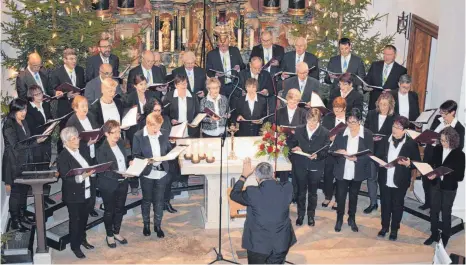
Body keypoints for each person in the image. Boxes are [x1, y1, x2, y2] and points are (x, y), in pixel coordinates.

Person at [230, 158, 296, 264]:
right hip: (281, 243)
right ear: (273, 174)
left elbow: (234, 194)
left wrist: (244, 175)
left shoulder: (252, 192)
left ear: (256, 177)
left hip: (258, 245)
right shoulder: (287, 188)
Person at [2, 99, 47, 231]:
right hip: (14, 163)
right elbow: (16, 145)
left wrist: (37, 138)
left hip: (26, 162)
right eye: (21, 110)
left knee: (23, 191)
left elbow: (27, 138)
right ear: (14, 110)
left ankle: (22, 215)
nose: (24, 113)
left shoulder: (24, 121)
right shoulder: (9, 124)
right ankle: (15, 220)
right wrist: (36, 141)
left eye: (25, 110)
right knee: (16, 193)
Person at [375, 116, 420, 241]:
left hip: (400, 180)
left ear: (405, 130)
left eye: (398, 127)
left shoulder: (411, 143)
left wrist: (408, 164)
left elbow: (417, 162)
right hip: (385, 178)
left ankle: (394, 229)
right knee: (385, 204)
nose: (394, 129)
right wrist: (379, 162)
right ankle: (384, 227)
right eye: (394, 126)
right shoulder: (385, 140)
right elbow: (377, 155)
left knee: (397, 205)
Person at [330, 108, 374, 232]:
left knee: (354, 196)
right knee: (341, 196)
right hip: (342, 168)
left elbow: (370, 154)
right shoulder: (342, 132)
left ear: (360, 121)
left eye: (354, 122)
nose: (351, 125)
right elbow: (333, 149)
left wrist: (356, 159)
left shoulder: (367, 134)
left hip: (357, 169)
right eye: (349, 122)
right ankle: (339, 219)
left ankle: (352, 218)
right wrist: (338, 151)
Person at [56, 127, 96, 259]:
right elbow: (66, 178)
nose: (77, 140)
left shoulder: (82, 149)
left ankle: (82, 239)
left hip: (87, 191)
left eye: (77, 137)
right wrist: (83, 176)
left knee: (84, 219)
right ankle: (75, 246)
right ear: (66, 142)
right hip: (73, 195)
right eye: (73, 139)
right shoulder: (62, 157)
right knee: (75, 221)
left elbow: (89, 164)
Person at [132, 113, 173, 238]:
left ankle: (158, 225)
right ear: (148, 124)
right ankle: (146, 225)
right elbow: (136, 155)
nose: (157, 130)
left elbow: (168, 149)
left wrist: (173, 150)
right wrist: (147, 160)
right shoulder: (138, 136)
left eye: (159, 127)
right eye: (154, 127)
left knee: (159, 201)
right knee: (147, 200)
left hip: (161, 171)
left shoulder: (163, 133)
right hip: (147, 173)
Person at [424, 127, 465, 247]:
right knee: (434, 211)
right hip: (435, 184)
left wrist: (448, 172)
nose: (443, 143)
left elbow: (460, 176)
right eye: (441, 140)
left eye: (446, 141)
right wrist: (430, 172)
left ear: (453, 141)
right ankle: (434, 234)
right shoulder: (437, 149)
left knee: (446, 212)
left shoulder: (459, 154)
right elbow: (432, 164)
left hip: (449, 187)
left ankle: (446, 235)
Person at [420, 100, 465, 210]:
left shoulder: (458, 128)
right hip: (430, 154)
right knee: (426, 180)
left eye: (445, 113)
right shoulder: (437, 120)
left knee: (436, 184)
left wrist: (440, 142)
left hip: (442, 159)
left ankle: (435, 207)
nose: (442, 115)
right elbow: (430, 132)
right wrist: (424, 138)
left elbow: (459, 147)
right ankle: (428, 202)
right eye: (441, 112)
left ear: (452, 112)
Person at [289, 108, 330, 226]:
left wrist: (318, 155)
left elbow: (326, 149)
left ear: (319, 121)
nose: (311, 125)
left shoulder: (324, 132)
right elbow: (291, 142)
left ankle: (311, 215)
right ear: (306, 119)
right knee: (301, 192)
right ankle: (300, 215)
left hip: (315, 165)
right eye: (309, 121)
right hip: (301, 163)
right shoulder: (299, 129)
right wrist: (295, 147)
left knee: (313, 193)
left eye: (314, 122)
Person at [96, 120, 131, 248]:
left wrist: (130, 164)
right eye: (114, 132)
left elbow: (123, 160)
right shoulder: (101, 150)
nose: (117, 135)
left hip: (123, 182)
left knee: (120, 209)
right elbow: (105, 171)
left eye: (119, 132)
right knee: (109, 211)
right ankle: (109, 235)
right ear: (106, 133)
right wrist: (122, 174)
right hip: (109, 184)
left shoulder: (120, 142)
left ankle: (116, 232)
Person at [66, 95, 101, 217]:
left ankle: (91, 206)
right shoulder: (72, 122)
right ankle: (83, 206)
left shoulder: (90, 116)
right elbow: (69, 143)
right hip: (80, 156)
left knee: (93, 180)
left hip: (93, 152)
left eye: (86, 105)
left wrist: (97, 137)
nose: (85, 108)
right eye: (82, 106)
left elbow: (96, 130)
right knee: (83, 182)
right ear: (75, 108)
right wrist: (86, 143)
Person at [363, 92, 397, 214]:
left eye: (385, 105)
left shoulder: (394, 118)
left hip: (386, 153)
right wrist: (370, 137)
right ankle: (373, 203)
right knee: (371, 178)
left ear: (390, 105)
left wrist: (384, 138)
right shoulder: (372, 114)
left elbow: (396, 136)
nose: (383, 107)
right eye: (381, 104)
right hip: (372, 151)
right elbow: (365, 130)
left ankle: (385, 204)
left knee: (383, 180)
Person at [49, 48, 86, 152]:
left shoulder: (80, 70)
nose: (74, 61)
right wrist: (67, 95)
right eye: (71, 59)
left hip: (78, 107)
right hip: (65, 107)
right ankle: (62, 155)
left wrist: (80, 92)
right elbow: (54, 88)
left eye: (75, 58)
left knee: (79, 131)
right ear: (64, 60)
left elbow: (83, 85)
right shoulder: (57, 72)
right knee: (64, 132)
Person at [25, 85, 56, 206]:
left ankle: (46, 195)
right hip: (37, 143)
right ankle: (39, 199)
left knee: (46, 168)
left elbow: (50, 118)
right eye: (37, 94)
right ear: (31, 97)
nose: (41, 95)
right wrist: (43, 131)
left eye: (41, 93)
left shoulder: (46, 105)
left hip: (46, 140)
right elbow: (31, 128)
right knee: (38, 170)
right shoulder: (29, 110)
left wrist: (50, 122)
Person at [276, 88, 307, 201]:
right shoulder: (280, 112)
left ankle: (294, 194)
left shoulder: (303, 113)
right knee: (283, 171)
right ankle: (284, 194)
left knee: (295, 172)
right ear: (287, 99)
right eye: (291, 101)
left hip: (297, 146)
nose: (293, 104)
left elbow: (305, 131)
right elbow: (275, 128)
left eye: (296, 102)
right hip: (283, 144)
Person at [321, 97, 347, 209]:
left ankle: (337, 199)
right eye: (335, 109)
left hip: (343, 152)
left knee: (340, 177)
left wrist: (338, 139)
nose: (337, 112)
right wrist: (330, 138)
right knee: (328, 175)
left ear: (344, 108)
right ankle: (328, 196)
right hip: (330, 151)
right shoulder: (328, 118)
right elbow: (322, 133)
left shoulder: (349, 119)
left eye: (339, 110)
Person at [364, 45, 407, 110]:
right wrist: (365, 87)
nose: (386, 57)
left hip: (390, 105)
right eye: (385, 54)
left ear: (395, 55)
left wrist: (392, 91)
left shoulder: (401, 70)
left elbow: (403, 88)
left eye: (389, 54)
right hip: (374, 104)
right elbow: (367, 81)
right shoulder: (375, 65)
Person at [124, 74, 162, 145]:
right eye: (141, 84)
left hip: (149, 122)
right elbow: (125, 114)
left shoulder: (151, 94)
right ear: (135, 86)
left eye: (145, 84)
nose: (144, 87)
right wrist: (133, 117)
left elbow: (158, 107)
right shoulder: (130, 97)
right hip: (135, 125)